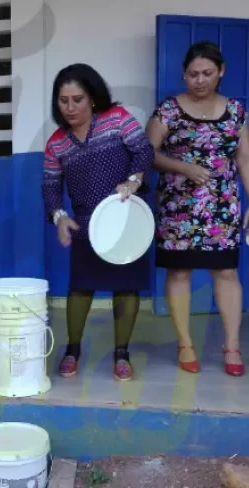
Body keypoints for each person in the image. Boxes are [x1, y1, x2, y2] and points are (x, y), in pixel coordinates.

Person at [144, 41, 249, 377]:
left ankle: (232, 346)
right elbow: (147, 154)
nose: (199, 80)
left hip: (222, 210)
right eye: (193, 74)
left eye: (207, 73)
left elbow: (246, 157)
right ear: (184, 74)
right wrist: (183, 168)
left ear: (220, 72)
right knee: (179, 273)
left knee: (226, 273)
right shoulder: (167, 110)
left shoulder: (236, 112)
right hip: (177, 210)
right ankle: (185, 344)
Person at [42, 63, 155, 381]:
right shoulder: (57, 143)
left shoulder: (117, 120)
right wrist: (59, 216)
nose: (70, 107)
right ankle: (73, 349)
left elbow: (143, 150)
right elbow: (50, 186)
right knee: (80, 288)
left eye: (77, 99)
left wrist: (134, 179)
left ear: (93, 98)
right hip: (86, 224)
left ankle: (122, 353)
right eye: (63, 101)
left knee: (126, 288)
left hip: (126, 219)